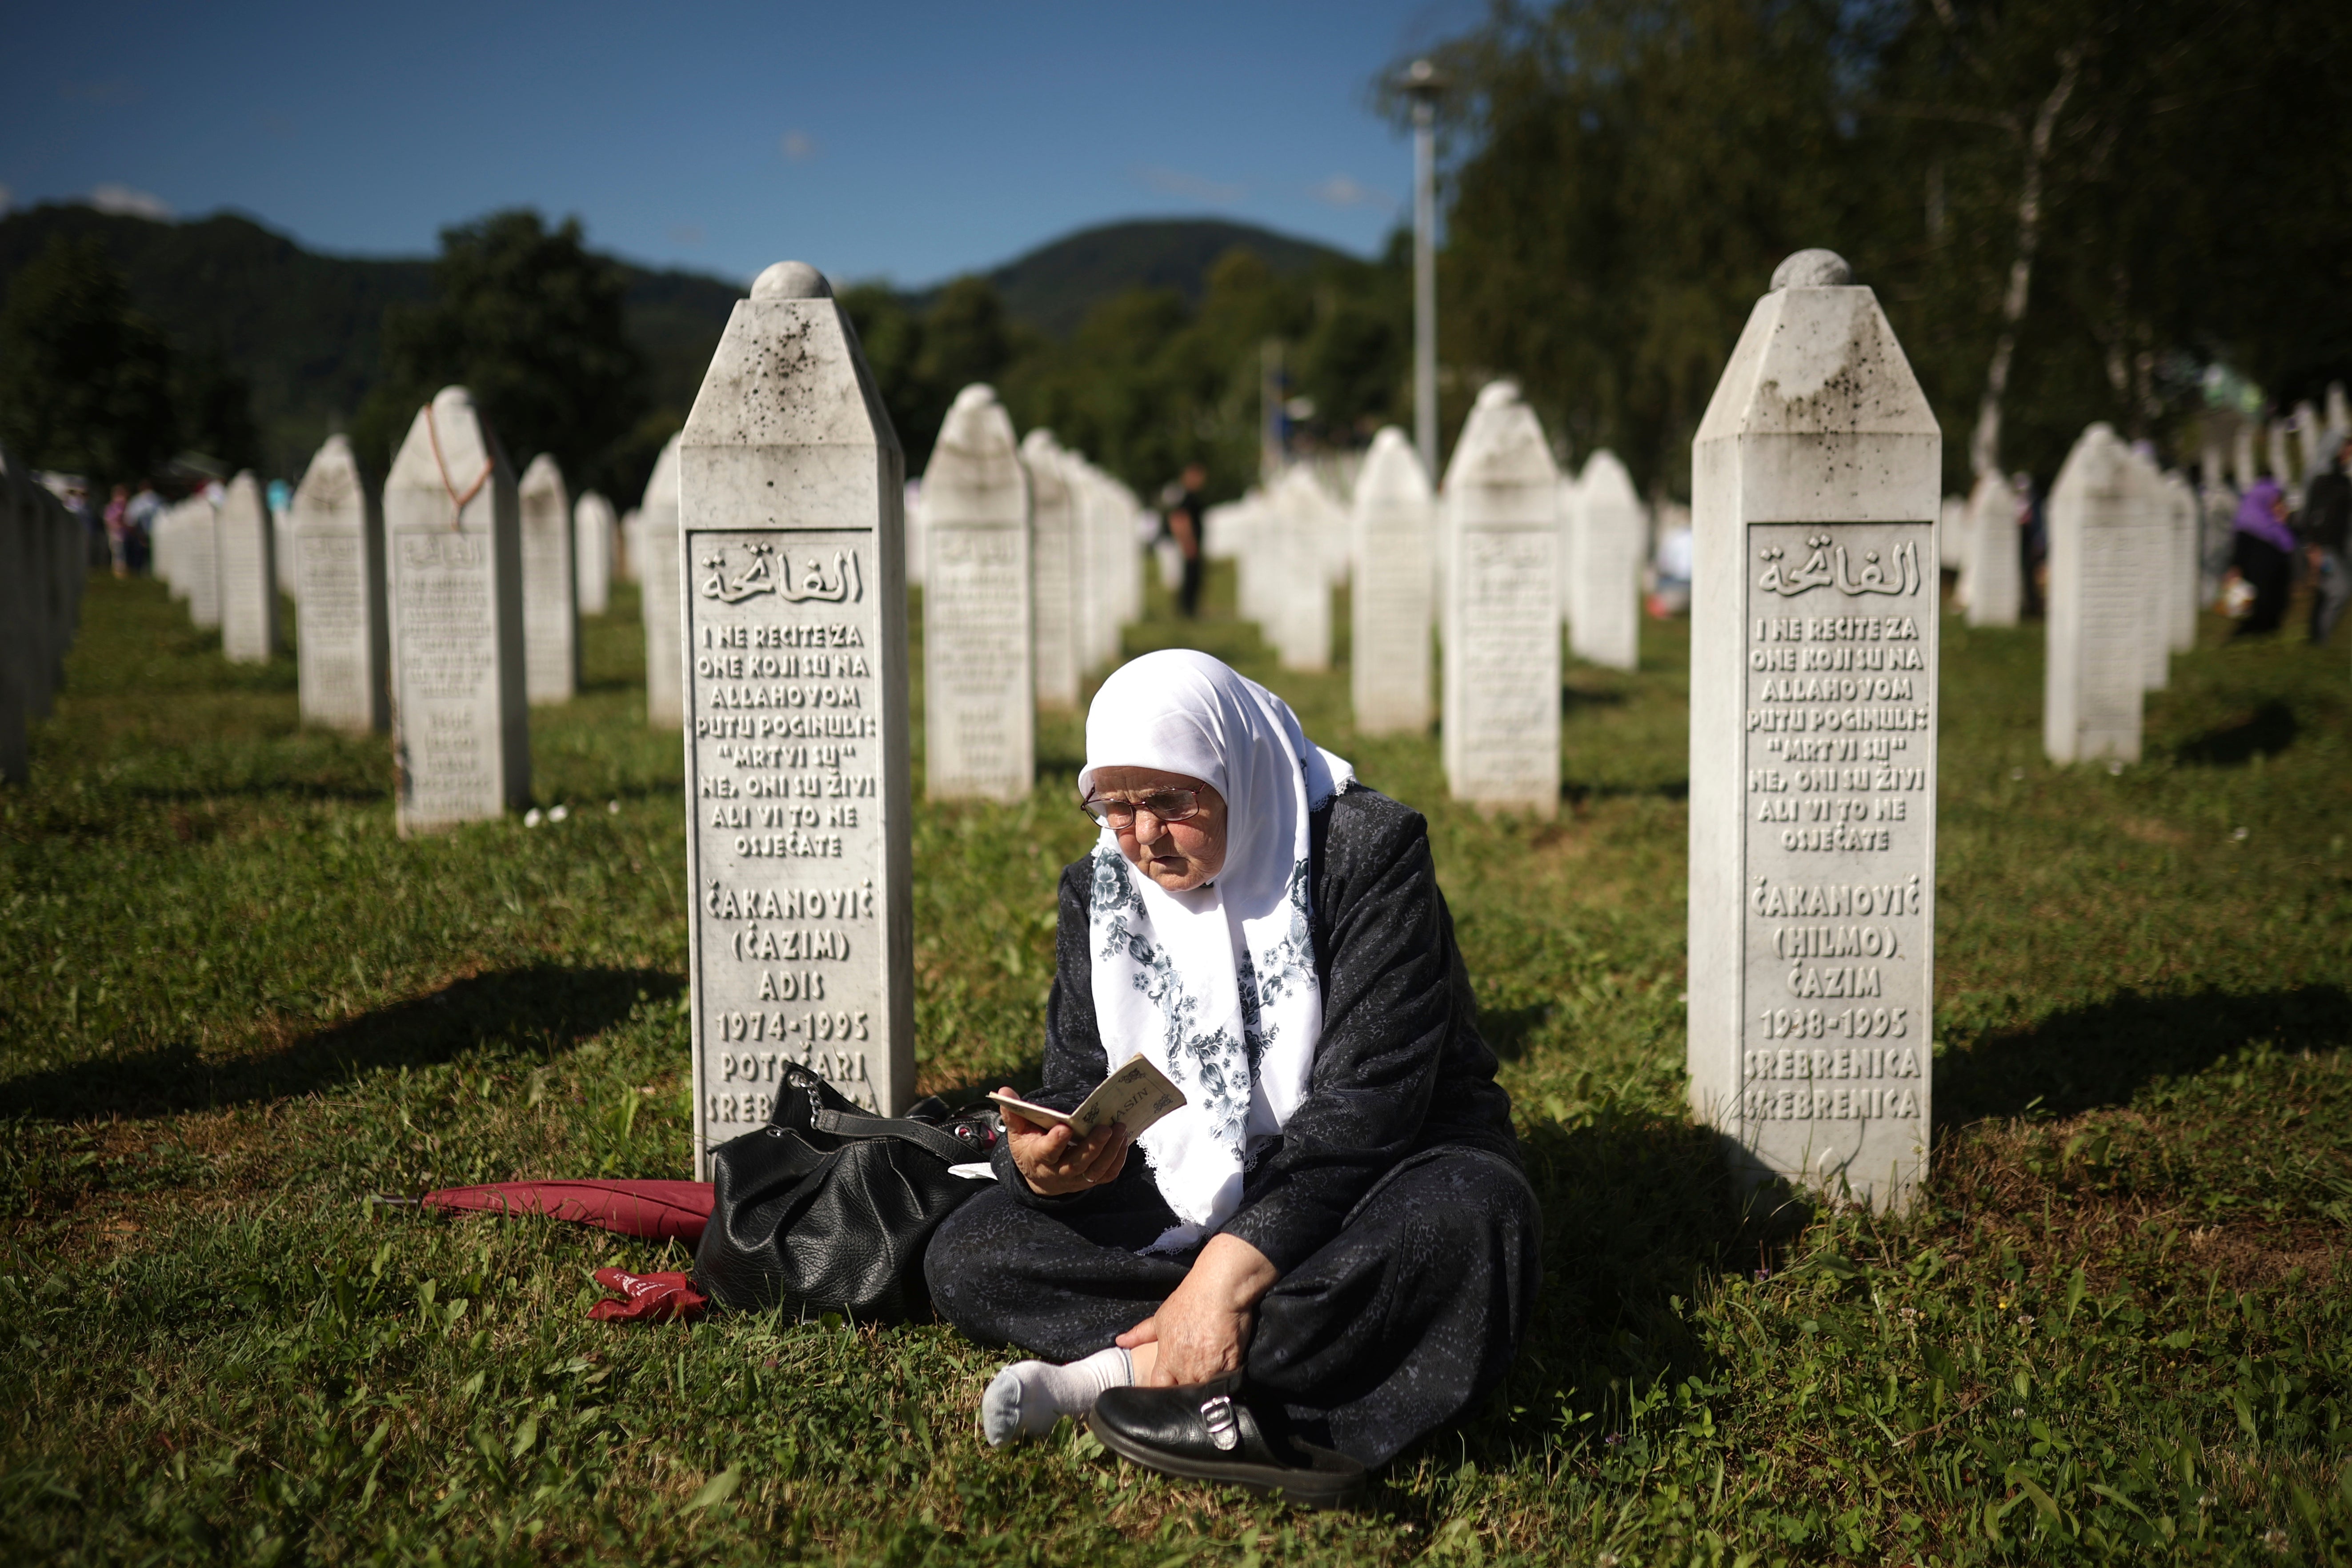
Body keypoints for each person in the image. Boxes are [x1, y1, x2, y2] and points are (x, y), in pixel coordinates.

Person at [924, 650, 1539, 1505]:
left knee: (1473, 1223)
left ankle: (1128, 1365)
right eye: (1115, 805)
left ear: (1234, 766)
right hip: (1188, 1181)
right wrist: (1044, 1161)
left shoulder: (1364, 852)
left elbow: (1372, 1102)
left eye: (1172, 799)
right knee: (970, 1253)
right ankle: (1252, 1351)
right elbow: (1073, 1075)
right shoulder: (1100, 886)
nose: (1141, 835)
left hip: (1381, 1168)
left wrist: (1226, 1271)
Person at [2229, 473, 2296, 637]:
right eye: (2275, 500)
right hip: (2256, 577)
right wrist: (2235, 568)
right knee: (2257, 609)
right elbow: (2240, 548)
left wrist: (2283, 520)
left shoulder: (2276, 524)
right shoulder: (2249, 521)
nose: (2279, 505)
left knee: (2274, 607)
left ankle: (2267, 635)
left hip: (2276, 580)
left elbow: (2290, 545)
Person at [2301, 437, 2351, 645]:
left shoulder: (2344, 480)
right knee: (2340, 591)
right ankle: (2321, 641)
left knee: (2327, 593)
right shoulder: (2323, 480)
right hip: (2324, 549)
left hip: (2339, 549)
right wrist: (2313, 547)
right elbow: (2315, 514)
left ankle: (2317, 639)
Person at [1167, 462, 1208, 618]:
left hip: (1193, 543)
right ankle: (1187, 611)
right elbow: (1178, 519)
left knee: (1195, 578)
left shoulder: (1190, 496)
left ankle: (1190, 610)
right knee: (1190, 579)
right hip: (1191, 544)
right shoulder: (1187, 497)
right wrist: (1188, 541)